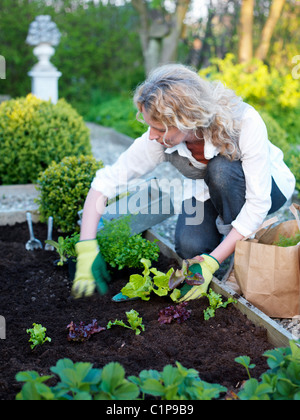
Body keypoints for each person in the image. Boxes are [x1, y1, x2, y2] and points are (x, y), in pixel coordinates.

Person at [72, 64, 296, 300]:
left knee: (221, 170)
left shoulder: (244, 122)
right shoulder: (157, 141)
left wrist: (212, 262)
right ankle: (226, 241)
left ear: (186, 120)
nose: (151, 135)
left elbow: (257, 203)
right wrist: (87, 244)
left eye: (158, 128)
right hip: (208, 191)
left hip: (266, 189)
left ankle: (240, 257)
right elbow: (105, 182)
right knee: (189, 246)